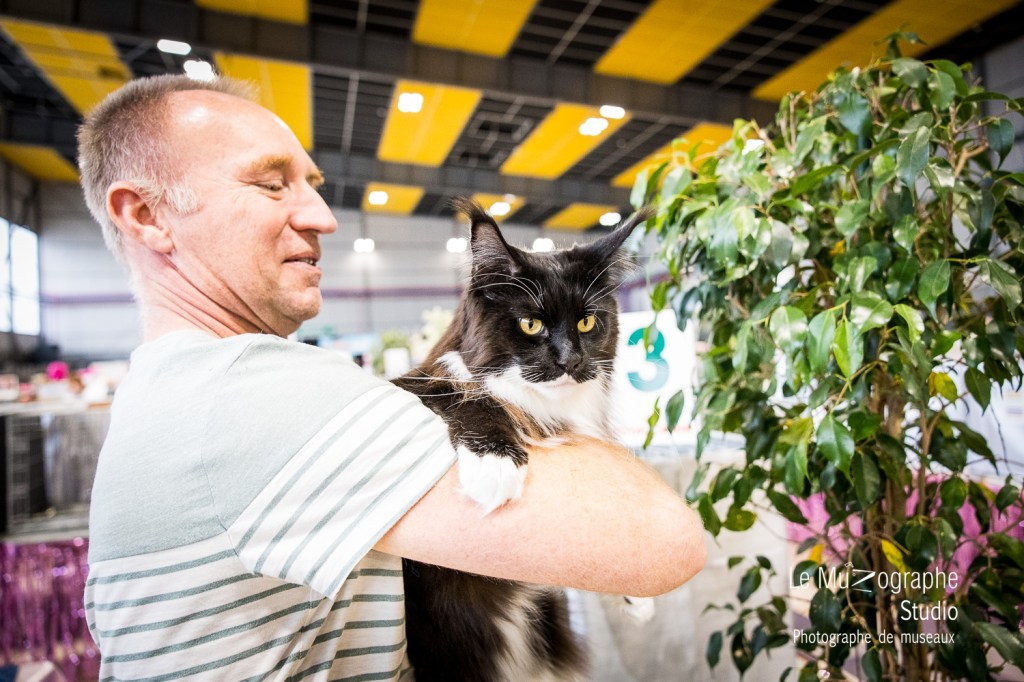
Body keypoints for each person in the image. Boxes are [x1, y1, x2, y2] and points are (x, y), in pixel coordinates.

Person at [78, 74, 707, 680]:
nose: (323, 216)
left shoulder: (167, 394)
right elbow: (660, 543)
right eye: (271, 184)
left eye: (312, 184)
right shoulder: (247, 393)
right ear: (146, 215)